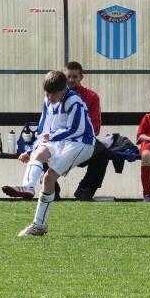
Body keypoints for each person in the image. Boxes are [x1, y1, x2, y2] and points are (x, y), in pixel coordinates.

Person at [6, 70, 95, 236]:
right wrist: (30, 150)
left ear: (63, 89)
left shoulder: (74, 100)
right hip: (59, 140)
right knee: (38, 154)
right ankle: (29, 189)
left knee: (49, 177)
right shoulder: (47, 101)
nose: (50, 97)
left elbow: (78, 129)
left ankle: (38, 225)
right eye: (47, 93)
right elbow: (43, 131)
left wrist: (52, 136)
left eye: (53, 93)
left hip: (81, 143)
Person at [65, 61, 109, 200]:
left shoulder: (91, 97)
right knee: (44, 151)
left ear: (81, 77)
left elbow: (96, 125)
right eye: (68, 76)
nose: (71, 80)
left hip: (84, 139)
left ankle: (85, 189)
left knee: (103, 153)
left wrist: (81, 137)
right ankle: (52, 190)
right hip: (63, 140)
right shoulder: (56, 94)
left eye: (75, 76)